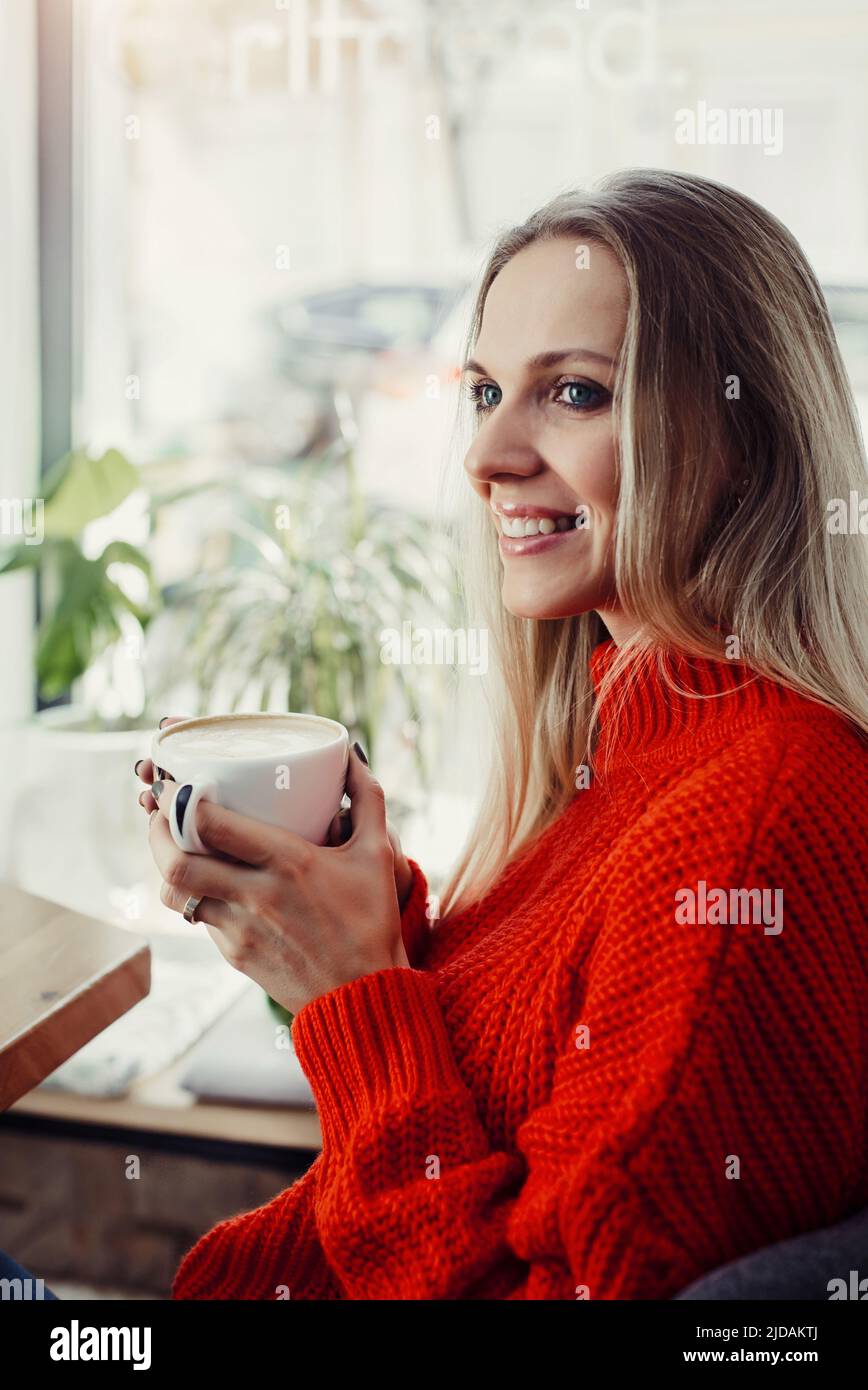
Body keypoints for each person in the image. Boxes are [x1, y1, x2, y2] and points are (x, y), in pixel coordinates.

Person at [135, 169, 868, 1300]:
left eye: (572, 394)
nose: (485, 459)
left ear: (743, 429)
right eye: (483, 393)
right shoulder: (628, 744)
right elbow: (535, 1066)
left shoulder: (752, 823)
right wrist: (349, 908)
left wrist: (353, 994)